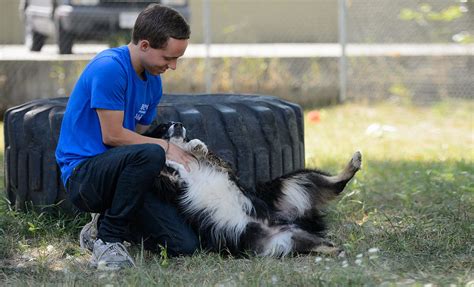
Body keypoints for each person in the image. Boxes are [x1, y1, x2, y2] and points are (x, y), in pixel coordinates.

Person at [55, 4, 198, 270]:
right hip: (84, 176)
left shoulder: (153, 80)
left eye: (177, 59)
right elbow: (113, 136)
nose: (174, 66)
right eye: (168, 58)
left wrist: (165, 137)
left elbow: (137, 137)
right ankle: (108, 240)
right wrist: (164, 146)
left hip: (120, 172)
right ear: (144, 45)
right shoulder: (109, 68)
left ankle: (100, 226)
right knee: (154, 151)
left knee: (183, 245)